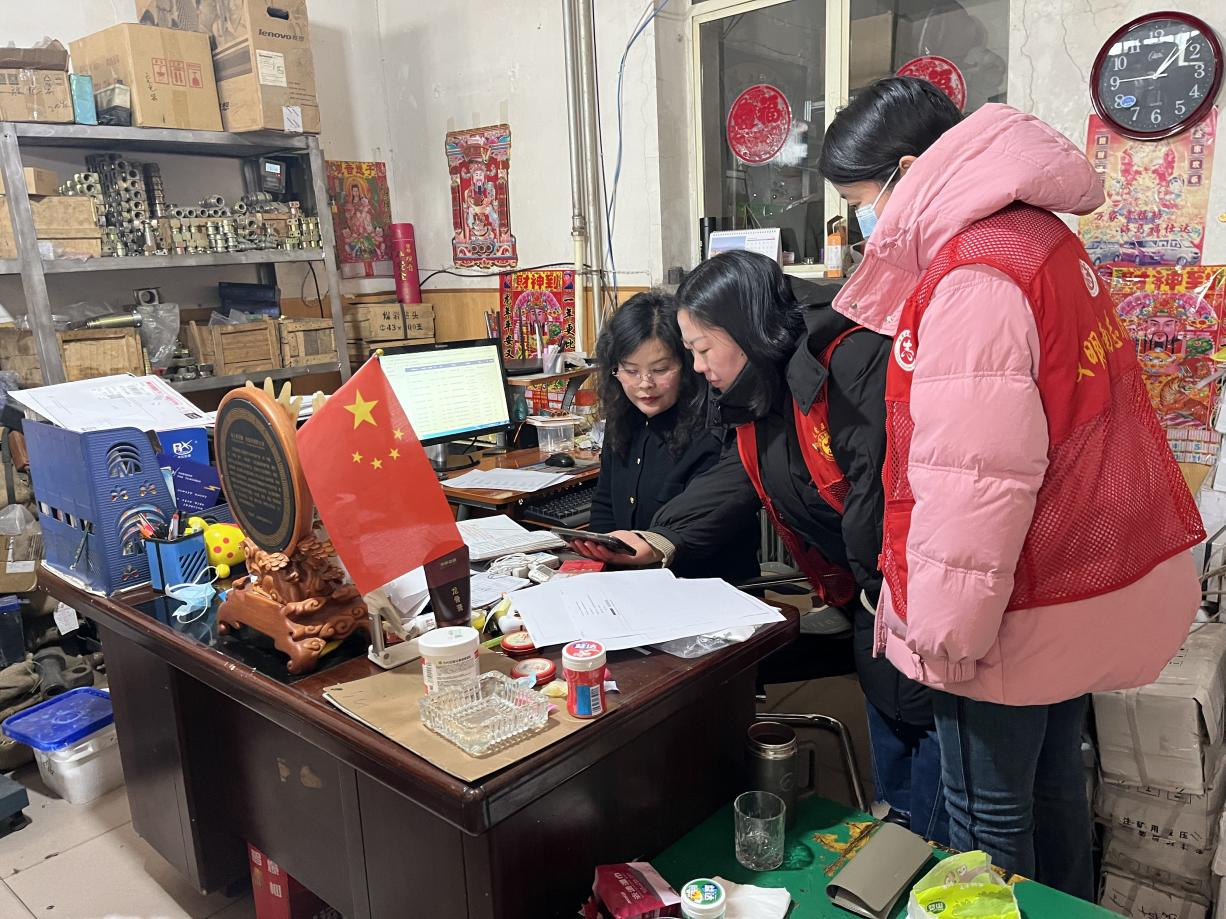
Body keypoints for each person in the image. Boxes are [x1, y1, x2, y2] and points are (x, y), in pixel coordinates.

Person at [818, 76, 1204, 898]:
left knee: (983, 819)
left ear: (907, 172)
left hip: (1005, 606)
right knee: (1056, 787)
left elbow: (975, 477)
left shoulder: (973, 273)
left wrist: (944, 635)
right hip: (1066, 576)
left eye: (859, 202)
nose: (862, 224)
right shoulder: (1041, 239)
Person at [574, 250, 948, 844]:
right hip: (866, 596)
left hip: (894, 601)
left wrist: (873, 594)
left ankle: (913, 848)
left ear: (743, 331)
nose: (695, 369)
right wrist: (646, 541)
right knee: (903, 760)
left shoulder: (841, 367)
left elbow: (874, 501)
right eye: (631, 369)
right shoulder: (755, 392)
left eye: (694, 353)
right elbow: (741, 475)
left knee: (935, 776)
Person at [587, 290, 759, 583]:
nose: (645, 384)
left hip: (705, 585)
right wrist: (600, 556)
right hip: (632, 584)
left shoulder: (715, 425)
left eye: (660, 369)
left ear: (687, 364)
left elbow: (713, 525)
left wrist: (653, 547)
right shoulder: (623, 417)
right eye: (630, 371)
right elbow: (605, 504)